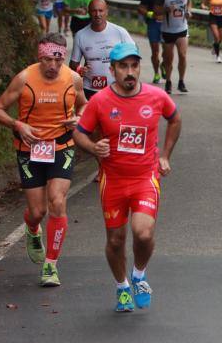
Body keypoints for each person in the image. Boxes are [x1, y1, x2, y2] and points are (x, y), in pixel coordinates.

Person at [73, 43, 182, 312]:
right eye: (123, 66)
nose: (130, 72)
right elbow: (79, 132)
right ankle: (122, 287)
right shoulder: (99, 101)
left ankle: (139, 275)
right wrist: (92, 147)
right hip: (113, 180)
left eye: (134, 66)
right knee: (116, 240)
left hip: (145, 177)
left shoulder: (156, 96)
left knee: (143, 234)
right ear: (112, 70)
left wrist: (165, 155)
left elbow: (175, 119)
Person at [0, 33, 87, 287]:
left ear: (63, 57)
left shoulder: (73, 78)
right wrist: (17, 124)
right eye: (47, 59)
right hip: (29, 148)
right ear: (39, 57)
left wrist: (79, 118)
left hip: (62, 146)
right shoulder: (24, 78)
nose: (52, 65)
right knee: (37, 211)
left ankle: (50, 265)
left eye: (57, 59)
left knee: (57, 201)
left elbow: (84, 106)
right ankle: (32, 229)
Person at [69, 0, 135, 100]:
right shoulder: (80, 35)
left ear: (107, 12)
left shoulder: (120, 32)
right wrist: (79, 69)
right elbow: (73, 64)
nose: (97, 14)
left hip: (116, 87)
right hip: (90, 88)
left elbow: (134, 55)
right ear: (89, 12)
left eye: (101, 10)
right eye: (94, 11)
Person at [154, 0, 192, 94]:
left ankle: (181, 81)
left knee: (183, 55)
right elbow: (156, 12)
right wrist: (165, 10)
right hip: (167, 31)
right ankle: (169, 82)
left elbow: (189, 3)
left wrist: (189, 12)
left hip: (182, 29)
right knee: (169, 59)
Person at [137, 0, 166, 83]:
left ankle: (164, 65)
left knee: (167, 51)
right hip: (153, 24)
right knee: (155, 51)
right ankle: (156, 73)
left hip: (166, 25)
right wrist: (150, 14)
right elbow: (140, 8)